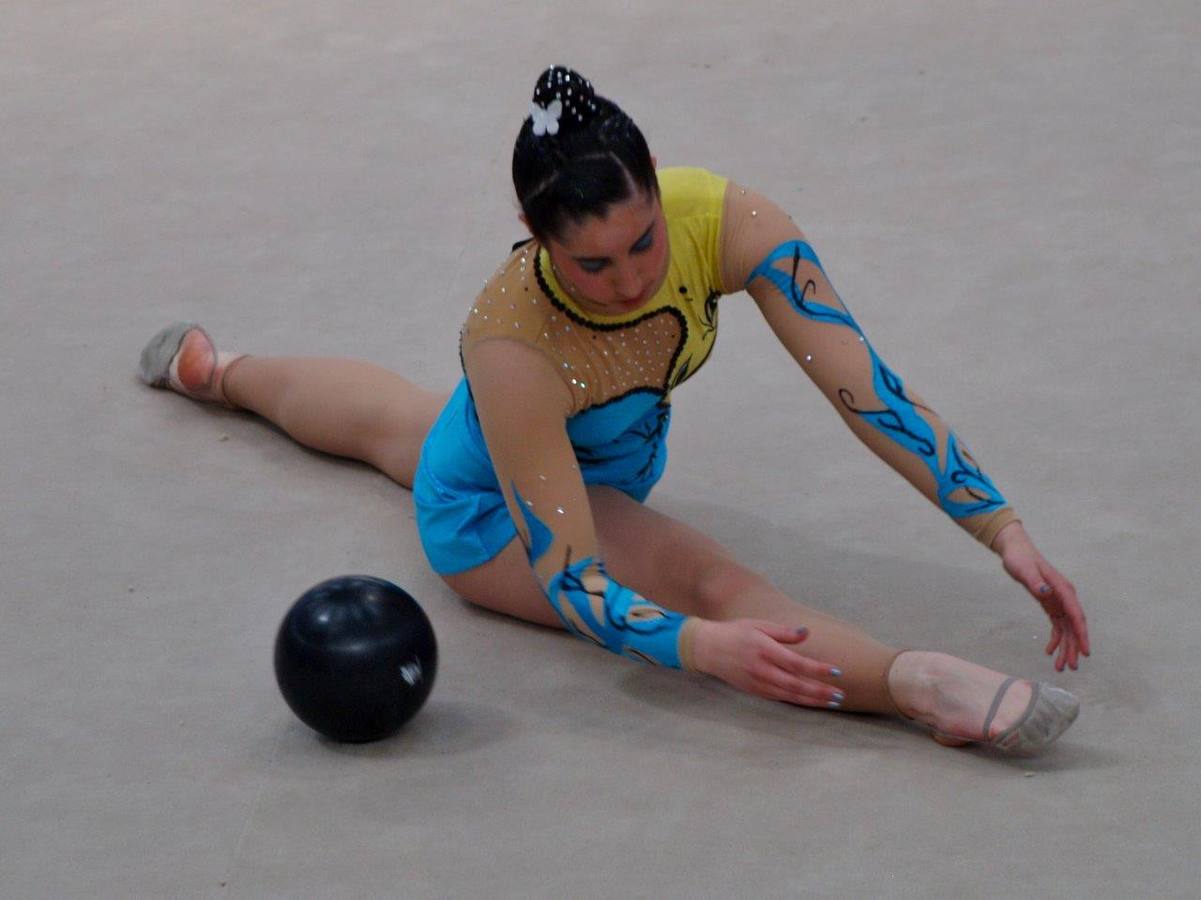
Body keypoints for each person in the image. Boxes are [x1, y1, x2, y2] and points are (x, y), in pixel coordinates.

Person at [139, 65, 1089, 754]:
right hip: (493, 516)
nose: (633, 278)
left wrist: (996, 523)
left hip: (538, 445)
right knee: (706, 578)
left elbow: (865, 389)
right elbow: (576, 579)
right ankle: (915, 683)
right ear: (532, 236)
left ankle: (219, 372)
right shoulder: (508, 344)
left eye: (642, 242)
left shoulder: (724, 221)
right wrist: (697, 645)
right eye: (593, 264)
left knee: (393, 422)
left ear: (657, 187)